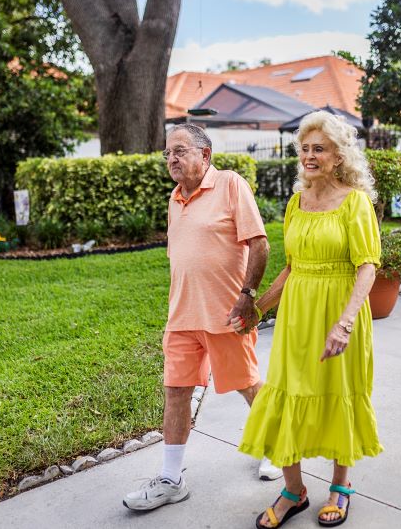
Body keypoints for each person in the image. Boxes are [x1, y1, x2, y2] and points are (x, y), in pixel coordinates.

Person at [234, 111, 383, 528]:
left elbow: (367, 267)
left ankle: (340, 486)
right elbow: (292, 267)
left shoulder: (355, 202)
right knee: (286, 393)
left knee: (340, 392)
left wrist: (345, 323)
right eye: (305, 149)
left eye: (319, 149)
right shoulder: (296, 203)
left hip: (340, 312)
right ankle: (293, 491)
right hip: (298, 317)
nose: (310, 156)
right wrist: (258, 308)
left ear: (338, 156)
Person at [123, 123, 282, 511]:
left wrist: (248, 297)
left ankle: (277, 448)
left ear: (205, 155)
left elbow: (259, 245)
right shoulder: (174, 199)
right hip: (181, 317)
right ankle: (171, 478)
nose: (171, 159)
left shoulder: (230, 185)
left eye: (179, 151)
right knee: (176, 391)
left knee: (247, 384)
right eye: (167, 154)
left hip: (226, 314)